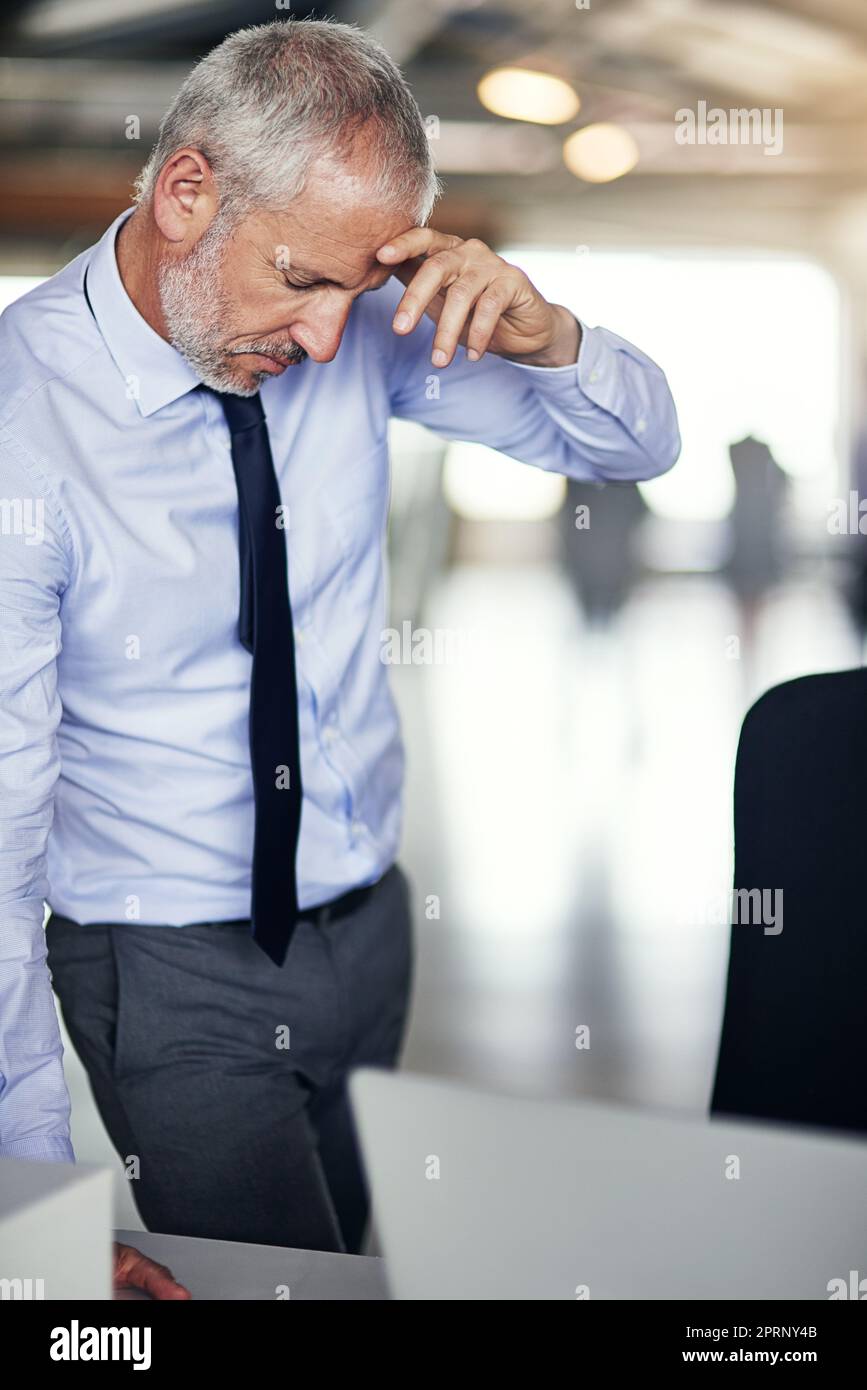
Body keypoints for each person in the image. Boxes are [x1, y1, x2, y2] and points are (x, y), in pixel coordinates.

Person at [0, 18, 680, 1294]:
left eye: (355, 293)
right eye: (302, 280)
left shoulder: (352, 329)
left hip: (372, 933)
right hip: (170, 960)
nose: (329, 341)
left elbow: (633, 449)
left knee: (346, 1272)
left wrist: (556, 340)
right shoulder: (20, 427)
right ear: (186, 189)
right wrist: (25, 1209)